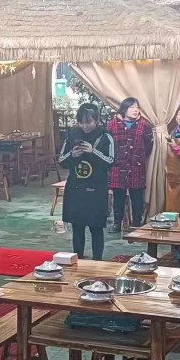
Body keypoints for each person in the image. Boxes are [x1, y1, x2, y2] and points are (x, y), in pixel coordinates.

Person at [59, 103, 115, 259]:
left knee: (96, 228)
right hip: (76, 189)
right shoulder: (72, 136)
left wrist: (93, 151)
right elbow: (61, 161)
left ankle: (97, 261)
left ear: (97, 120)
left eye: (89, 122)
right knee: (77, 227)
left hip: (96, 190)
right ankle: (78, 259)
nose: (85, 126)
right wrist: (72, 155)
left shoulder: (105, 136)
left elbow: (111, 162)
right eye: (82, 122)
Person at [107, 97, 153, 232]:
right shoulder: (112, 124)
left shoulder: (145, 125)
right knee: (118, 197)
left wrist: (139, 156)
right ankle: (117, 223)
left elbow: (149, 145)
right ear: (124, 109)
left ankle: (136, 223)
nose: (135, 110)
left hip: (136, 166)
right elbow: (107, 144)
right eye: (132, 107)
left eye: (137, 107)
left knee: (137, 197)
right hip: (118, 166)